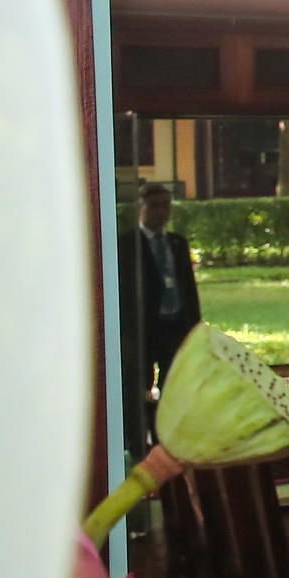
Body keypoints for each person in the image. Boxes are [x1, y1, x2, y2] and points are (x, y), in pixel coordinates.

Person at [117, 182, 202, 442]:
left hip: (174, 326)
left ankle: (166, 437)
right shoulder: (127, 244)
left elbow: (188, 288)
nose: (160, 212)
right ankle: (136, 441)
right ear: (141, 209)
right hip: (143, 330)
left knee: (174, 386)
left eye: (165, 206)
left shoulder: (177, 243)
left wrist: (195, 327)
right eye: (154, 206)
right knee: (138, 388)